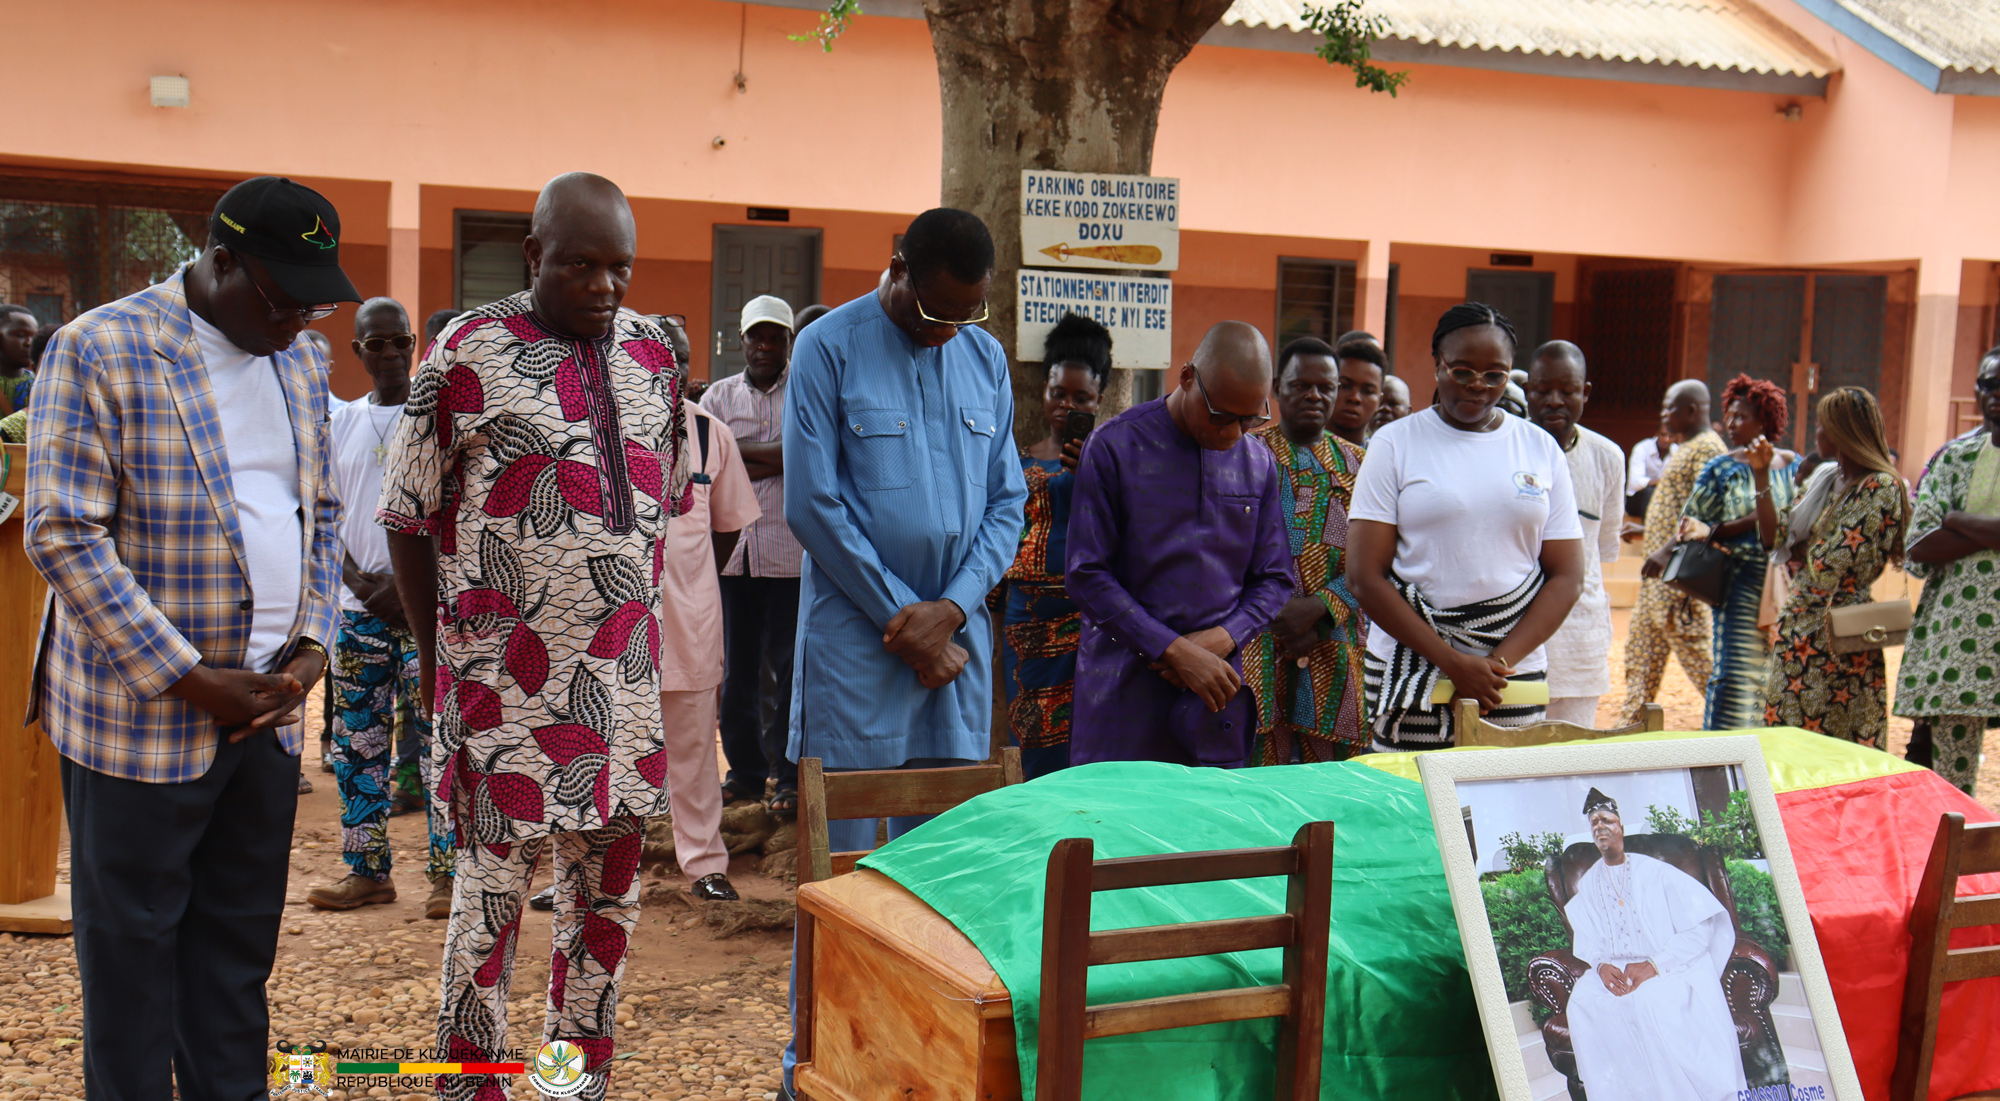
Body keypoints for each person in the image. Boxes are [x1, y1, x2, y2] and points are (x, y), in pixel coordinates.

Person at [24, 175, 356, 1100]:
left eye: (312, 301)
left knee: (236, 955)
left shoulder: (301, 360)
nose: (295, 320)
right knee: (132, 963)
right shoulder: (101, 348)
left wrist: (309, 653)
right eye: (280, 297)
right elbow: (61, 530)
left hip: (266, 716)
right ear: (219, 262)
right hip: (141, 722)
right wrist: (187, 676)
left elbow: (320, 515)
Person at [377, 172, 690, 1099]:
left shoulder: (652, 357)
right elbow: (406, 515)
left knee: (605, 910)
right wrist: (440, 667)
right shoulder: (462, 354)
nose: (604, 285)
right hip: (497, 691)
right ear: (532, 256)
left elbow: (655, 509)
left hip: (621, 698)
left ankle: (570, 1082)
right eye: (581, 264)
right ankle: (471, 1084)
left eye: (619, 267)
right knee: (488, 906)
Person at [779, 208, 1025, 1096]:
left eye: (967, 314)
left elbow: (1007, 505)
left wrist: (952, 612)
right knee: (844, 865)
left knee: (947, 864)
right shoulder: (828, 348)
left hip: (956, 657)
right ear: (895, 269)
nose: (946, 330)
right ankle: (821, 1058)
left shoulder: (983, 359)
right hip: (858, 649)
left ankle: (926, 1064)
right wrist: (904, 618)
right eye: (933, 311)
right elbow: (813, 503)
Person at [1347, 304, 1583, 748]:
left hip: (1509, 678)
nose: (1478, 386)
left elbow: (1567, 575)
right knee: (1412, 805)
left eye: (1495, 375)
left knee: (1505, 808)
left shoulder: (1539, 448)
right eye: (1462, 371)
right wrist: (1453, 663)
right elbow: (1364, 576)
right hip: (1414, 669)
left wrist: (1494, 665)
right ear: (1437, 362)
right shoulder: (1395, 444)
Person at [1066, 320, 1295, 766]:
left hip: (1215, 694)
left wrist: (1223, 638)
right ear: (1187, 377)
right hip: (1123, 688)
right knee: (1116, 829)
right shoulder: (1114, 447)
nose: (1232, 433)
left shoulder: (1259, 462)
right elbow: (1086, 574)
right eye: (1220, 416)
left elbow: (1275, 578)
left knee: (1213, 833)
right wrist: (1172, 649)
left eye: (1249, 419)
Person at [303, 297, 455, 919]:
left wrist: (411, 586)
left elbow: (458, 515)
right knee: (357, 744)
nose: (390, 354)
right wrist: (366, 586)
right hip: (357, 611)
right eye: (377, 344)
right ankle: (366, 872)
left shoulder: (439, 420)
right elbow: (321, 517)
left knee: (441, 744)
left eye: (400, 342)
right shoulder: (339, 425)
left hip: (430, 613)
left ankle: (450, 877)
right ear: (358, 350)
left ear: (415, 344)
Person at [1563, 789, 1745, 1101]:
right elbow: (1588, 937)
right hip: (1615, 966)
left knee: (1647, 1003)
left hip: (1670, 965)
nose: (1600, 827)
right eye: (1593, 823)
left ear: (1621, 826)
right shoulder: (1590, 882)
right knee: (1582, 1001)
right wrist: (1601, 965)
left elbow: (1698, 930)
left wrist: (1654, 965)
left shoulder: (1656, 873)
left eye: (1606, 820)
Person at [1241, 335, 1369, 763]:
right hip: (1256, 637)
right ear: (1277, 388)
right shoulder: (1243, 454)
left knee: (1328, 782)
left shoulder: (1360, 466)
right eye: (1300, 385)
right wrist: (1276, 612)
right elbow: (1225, 549)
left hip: (1333, 640)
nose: (1314, 395)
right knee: (1258, 772)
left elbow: (1377, 561)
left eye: (1326, 387)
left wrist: (1319, 609)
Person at [654, 395, 760, 899]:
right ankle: (585, 873)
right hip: (610, 626)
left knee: (694, 748)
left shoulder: (707, 432)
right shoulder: (593, 415)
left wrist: (691, 577)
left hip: (688, 616)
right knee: (602, 750)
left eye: (678, 358)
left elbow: (729, 522)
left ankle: (704, 865)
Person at [1762, 388, 1908, 745]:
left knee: (1838, 739)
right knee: (1787, 735)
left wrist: (1804, 544)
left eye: (1823, 426)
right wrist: (1758, 475)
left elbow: (1831, 562)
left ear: (1844, 431)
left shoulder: (1881, 487)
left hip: (1840, 631)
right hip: (1799, 624)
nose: (1817, 434)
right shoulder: (1825, 480)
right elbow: (1776, 538)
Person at [703, 296, 804, 814]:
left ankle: (787, 776)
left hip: (791, 557)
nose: (765, 346)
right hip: (731, 555)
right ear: (740, 341)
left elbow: (802, 457)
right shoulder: (718, 398)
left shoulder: (807, 393)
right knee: (736, 670)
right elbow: (712, 463)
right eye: (756, 337)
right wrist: (775, 458)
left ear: (790, 341)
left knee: (789, 671)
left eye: (776, 337)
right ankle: (744, 773)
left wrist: (745, 456)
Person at [997, 313, 1108, 778]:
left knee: (1089, 735)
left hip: (1092, 619)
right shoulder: (1017, 461)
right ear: (1044, 393)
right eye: (1057, 394)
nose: (1066, 405)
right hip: (1026, 620)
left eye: (1080, 398)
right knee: (1027, 736)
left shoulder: (1114, 462)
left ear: (1098, 400)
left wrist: (1096, 472)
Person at [1897, 352, 2000, 796]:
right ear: (1977, 390)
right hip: (1960, 643)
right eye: (1989, 384)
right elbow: (1919, 546)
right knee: (1951, 784)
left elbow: (1939, 531)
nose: (1997, 394)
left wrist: (1958, 519)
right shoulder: (1954, 459)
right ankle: (1955, 861)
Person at [1677, 374, 1797, 730]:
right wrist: (1749, 521)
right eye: (1729, 415)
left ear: (1766, 420)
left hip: (1786, 586)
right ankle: (1724, 763)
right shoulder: (1721, 469)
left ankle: (1766, 768)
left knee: (1778, 679)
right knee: (1734, 675)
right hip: (1739, 584)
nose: (1731, 423)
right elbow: (1691, 527)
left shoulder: (1793, 465)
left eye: (1741, 416)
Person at [1525, 342, 1626, 726]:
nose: (1554, 401)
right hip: (1512, 639)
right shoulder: (1503, 451)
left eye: (1567, 391)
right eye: (1542, 391)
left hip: (1580, 638)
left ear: (1584, 392)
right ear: (1527, 392)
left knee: (1571, 759)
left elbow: (1602, 549)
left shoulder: (1608, 458)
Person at [1620, 382, 1725, 725]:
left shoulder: (1707, 449)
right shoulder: (1688, 447)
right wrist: (1649, 533)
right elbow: (1680, 507)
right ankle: (1628, 730)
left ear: (1691, 410)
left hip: (1677, 578)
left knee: (1699, 659)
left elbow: (1708, 512)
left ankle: (1743, 720)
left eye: (1669, 408)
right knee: (1640, 657)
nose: (1663, 416)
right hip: (1657, 578)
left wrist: (1667, 548)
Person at [1626, 413, 1679, 520]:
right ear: (1657, 434)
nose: (1666, 439)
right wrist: (1660, 482)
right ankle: (1648, 530)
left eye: (1671, 436)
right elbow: (1634, 482)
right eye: (1663, 435)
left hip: (1663, 498)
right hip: (1636, 500)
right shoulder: (1642, 448)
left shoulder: (1677, 451)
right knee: (1649, 491)